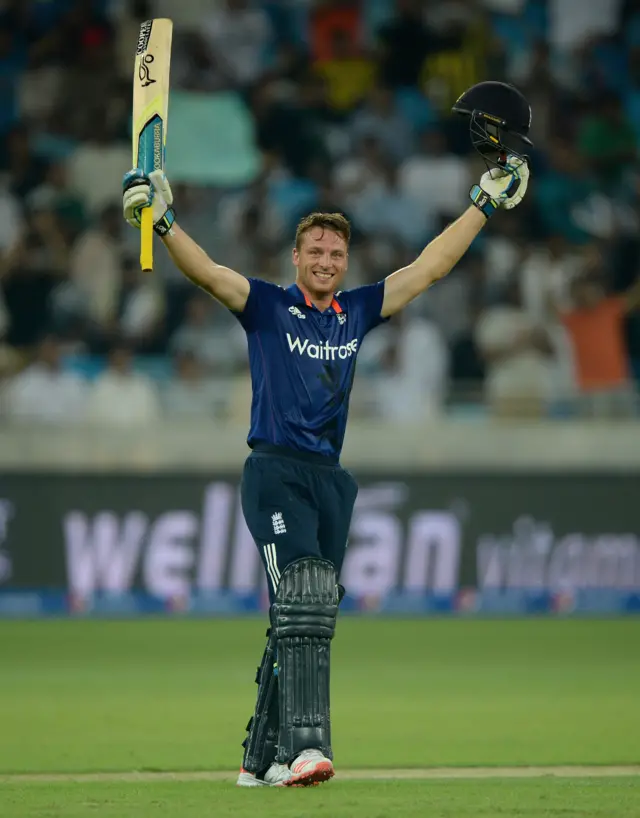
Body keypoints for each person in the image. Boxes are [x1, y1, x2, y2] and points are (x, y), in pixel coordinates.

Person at [122, 153, 529, 787]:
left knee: (307, 613)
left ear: (345, 261)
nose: (326, 261)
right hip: (275, 471)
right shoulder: (267, 307)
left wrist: (482, 202)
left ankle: (259, 757)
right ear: (296, 257)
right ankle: (305, 749)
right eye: (315, 250)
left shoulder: (357, 311)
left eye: (336, 253)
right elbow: (207, 274)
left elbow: (429, 268)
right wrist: (163, 219)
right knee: (301, 599)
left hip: (329, 479)